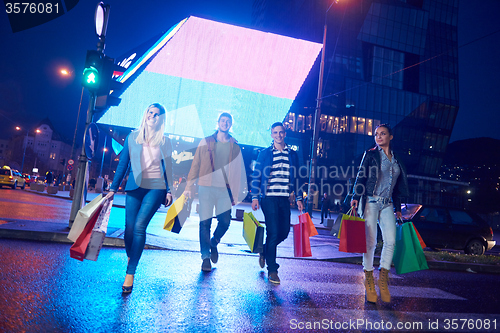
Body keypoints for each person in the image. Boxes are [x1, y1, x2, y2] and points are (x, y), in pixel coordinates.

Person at [105, 103, 173, 293]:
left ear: (161, 119)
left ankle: (130, 273)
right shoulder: (132, 137)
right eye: (150, 112)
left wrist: (169, 191)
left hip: (155, 187)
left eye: (157, 114)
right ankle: (132, 256)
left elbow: (169, 168)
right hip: (134, 186)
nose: (152, 116)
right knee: (129, 229)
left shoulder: (165, 141)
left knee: (139, 227)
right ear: (146, 115)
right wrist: (112, 188)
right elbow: (123, 165)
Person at [348, 124, 409, 303]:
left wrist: (398, 208)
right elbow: (361, 176)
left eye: (383, 134)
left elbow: (397, 187)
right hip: (371, 201)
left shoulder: (396, 159)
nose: (379, 137)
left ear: (391, 136)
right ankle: (368, 280)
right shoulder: (371, 154)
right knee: (371, 242)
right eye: (376, 134)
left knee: (390, 241)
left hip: (388, 204)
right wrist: (355, 196)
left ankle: (383, 280)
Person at [184, 112, 246, 272]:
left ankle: (214, 241)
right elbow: (195, 164)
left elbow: (238, 171)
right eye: (222, 120)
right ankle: (205, 257)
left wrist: (236, 193)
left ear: (231, 125)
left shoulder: (235, 146)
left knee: (225, 221)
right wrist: (189, 186)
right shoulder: (206, 142)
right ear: (218, 123)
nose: (225, 123)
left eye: (228, 121)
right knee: (205, 223)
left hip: (225, 190)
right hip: (206, 187)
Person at [251, 122, 304, 284]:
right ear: (272, 135)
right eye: (275, 132)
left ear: (285, 134)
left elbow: (298, 177)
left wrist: (300, 198)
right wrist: (254, 196)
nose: (279, 135)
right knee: (273, 232)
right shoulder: (265, 153)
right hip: (268, 198)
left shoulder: (293, 154)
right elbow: (257, 175)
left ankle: (265, 250)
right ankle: (272, 270)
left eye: (281, 132)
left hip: (284, 198)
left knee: (284, 232)